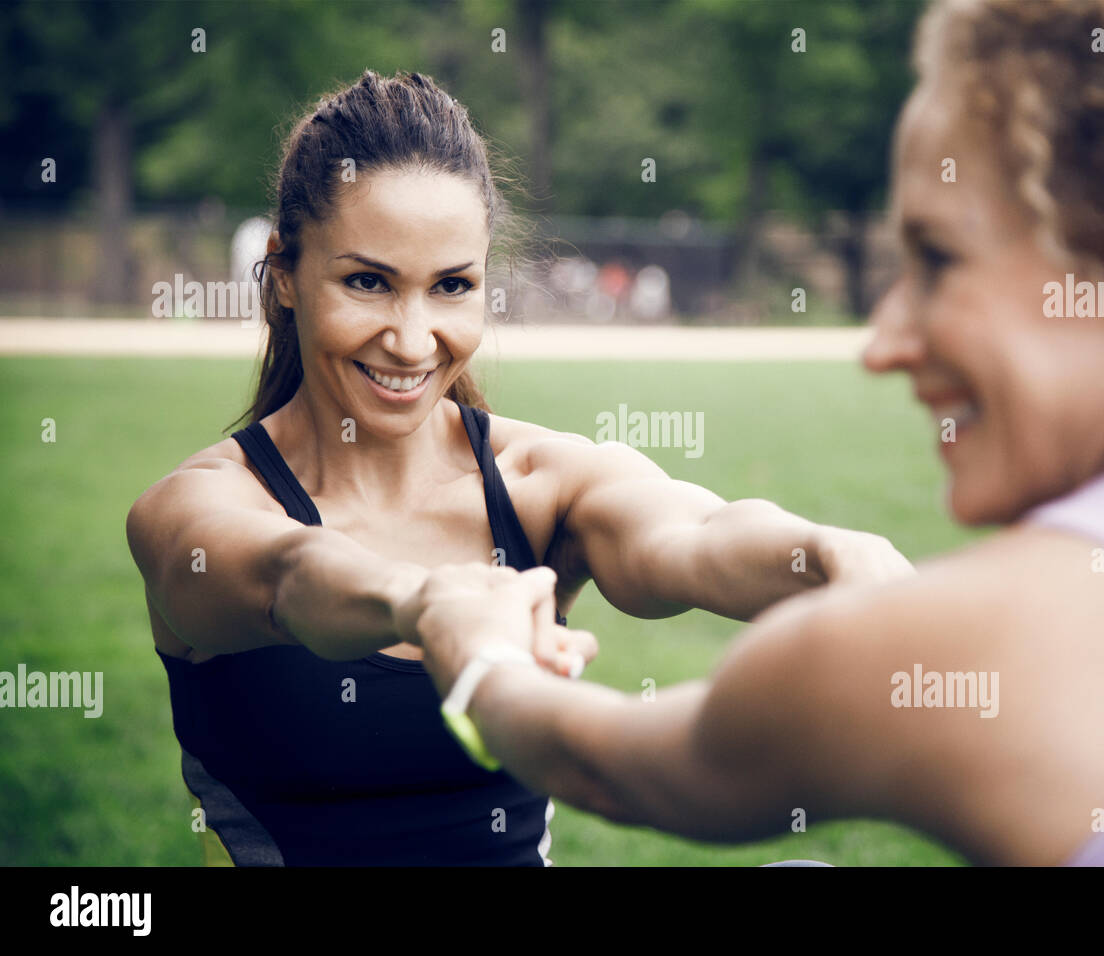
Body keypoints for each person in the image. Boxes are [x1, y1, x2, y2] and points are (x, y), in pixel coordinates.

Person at [408, 0, 1104, 865]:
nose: (885, 343)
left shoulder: (990, 638)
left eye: (939, 260)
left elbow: (608, 768)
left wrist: (478, 653)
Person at [124, 70, 912, 867]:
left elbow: (692, 533)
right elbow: (289, 578)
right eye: (368, 282)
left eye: (452, 287)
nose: (411, 337)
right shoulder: (195, 512)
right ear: (285, 274)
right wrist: (427, 603)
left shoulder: (539, 483)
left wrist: (824, 559)